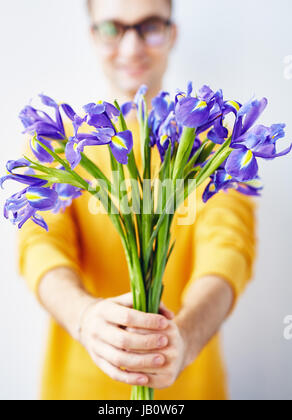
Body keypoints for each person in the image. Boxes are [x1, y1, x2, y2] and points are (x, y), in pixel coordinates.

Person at [18, 0, 256, 400]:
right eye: (112, 28)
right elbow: (39, 243)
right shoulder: (56, 145)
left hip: (188, 381)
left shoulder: (209, 144)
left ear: (172, 33)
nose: (131, 48)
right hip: (80, 387)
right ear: (92, 36)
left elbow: (229, 246)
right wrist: (84, 318)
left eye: (149, 26)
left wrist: (185, 336)